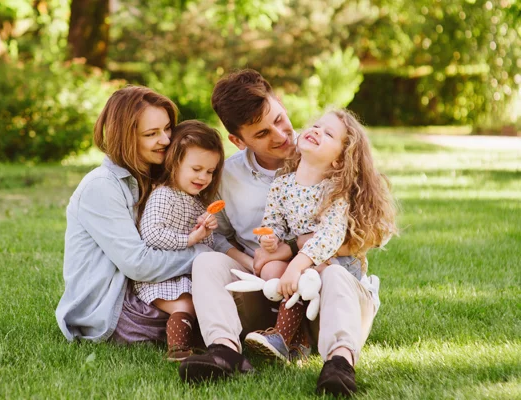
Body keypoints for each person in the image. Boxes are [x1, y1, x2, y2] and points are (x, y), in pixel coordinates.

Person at [179, 70, 387, 397]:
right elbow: (217, 235)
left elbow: (376, 231)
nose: (281, 135)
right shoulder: (227, 176)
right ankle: (224, 350)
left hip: (330, 293)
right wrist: (253, 260)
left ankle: (340, 363)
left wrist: (294, 252)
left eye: (279, 118)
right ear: (238, 140)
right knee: (206, 262)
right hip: (268, 290)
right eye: (262, 133)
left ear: (281, 103)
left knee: (332, 275)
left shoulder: (332, 148)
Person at [244, 110, 397, 396]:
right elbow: (274, 222)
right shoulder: (282, 185)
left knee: (312, 274)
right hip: (305, 268)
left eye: (329, 134)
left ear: (339, 159)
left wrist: (297, 264)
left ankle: (328, 357)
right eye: (316, 126)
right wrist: (271, 239)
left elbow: (330, 236)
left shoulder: (334, 191)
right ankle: (294, 338)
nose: (316, 131)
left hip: (335, 271)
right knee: (270, 271)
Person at [55, 86, 210, 345]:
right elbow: (138, 264)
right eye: (151, 134)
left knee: (219, 298)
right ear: (125, 138)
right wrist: (204, 256)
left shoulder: (156, 177)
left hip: (148, 289)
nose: (166, 140)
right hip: (113, 307)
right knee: (206, 309)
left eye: (167, 128)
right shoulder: (102, 186)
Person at [132, 120, 227, 361]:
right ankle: (177, 349)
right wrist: (190, 239)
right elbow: (151, 234)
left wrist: (205, 232)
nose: (203, 177)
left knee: (206, 300)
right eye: (196, 169)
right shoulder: (164, 194)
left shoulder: (195, 201)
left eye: (210, 171)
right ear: (175, 163)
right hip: (161, 276)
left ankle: (206, 340)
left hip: (183, 274)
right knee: (185, 305)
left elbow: (206, 249)